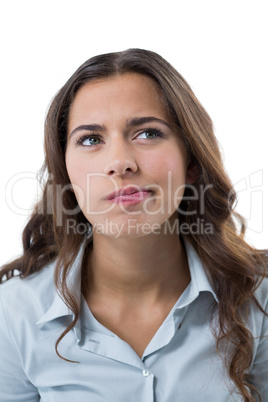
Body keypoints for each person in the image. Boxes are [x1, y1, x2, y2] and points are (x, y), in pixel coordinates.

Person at [0, 48, 267, 402]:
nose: (119, 163)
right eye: (91, 139)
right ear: (65, 174)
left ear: (191, 162)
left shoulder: (259, 297)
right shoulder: (13, 314)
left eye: (147, 133)